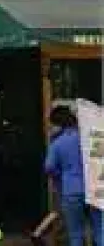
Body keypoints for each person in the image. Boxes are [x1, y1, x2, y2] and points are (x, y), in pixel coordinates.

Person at [45, 105, 103, 246]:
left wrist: (61, 176)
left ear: (58, 124)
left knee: (75, 234)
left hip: (71, 190)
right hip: (94, 188)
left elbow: (49, 167)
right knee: (100, 231)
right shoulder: (89, 138)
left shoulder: (57, 143)